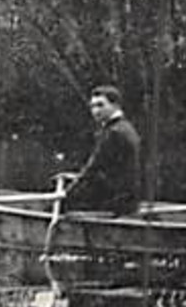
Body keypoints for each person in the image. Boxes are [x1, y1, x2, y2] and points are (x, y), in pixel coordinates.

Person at [56, 85, 141, 215]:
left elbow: (93, 169)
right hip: (128, 200)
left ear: (115, 105)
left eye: (101, 105)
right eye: (93, 106)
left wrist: (67, 193)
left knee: (61, 206)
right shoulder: (125, 127)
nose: (96, 111)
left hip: (116, 203)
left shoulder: (114, 132)